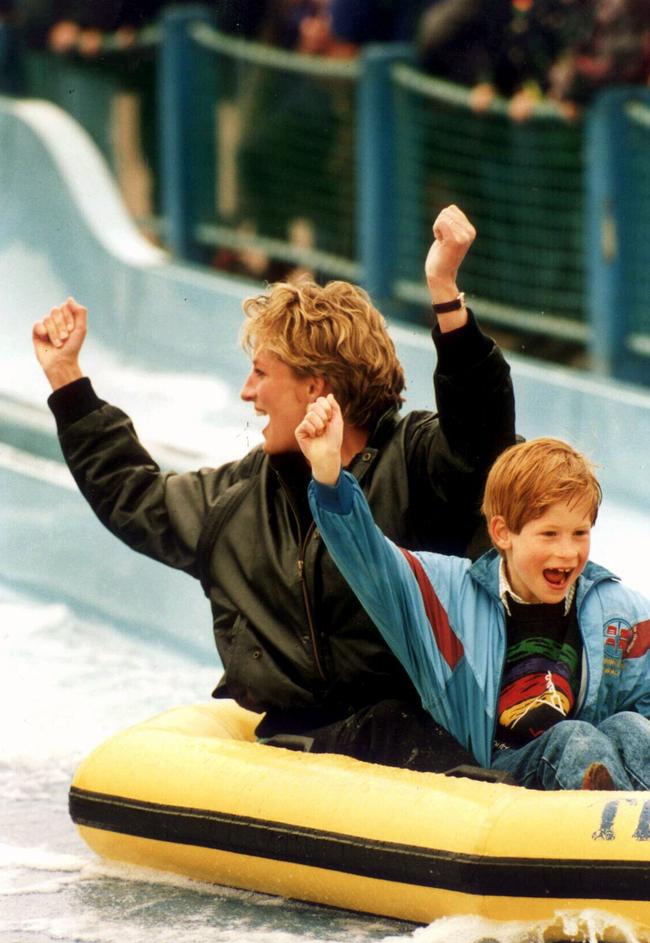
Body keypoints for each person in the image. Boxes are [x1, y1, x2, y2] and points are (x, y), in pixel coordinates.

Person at [32, 204, 515, 772]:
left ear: (315, 387)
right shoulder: (240, 501)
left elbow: (482, 439)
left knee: (400, 728)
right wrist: (67, 380)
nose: (247, 392)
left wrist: (445, 294)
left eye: (261, 373)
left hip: (435, 726)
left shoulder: (419, 462)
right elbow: (134, 497)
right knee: (377, 732)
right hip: (305, 743)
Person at [299, 414, 650, 790]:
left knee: (631, 729)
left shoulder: (617, 611)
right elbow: (369, 558)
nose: (567, 553)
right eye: (549, 534)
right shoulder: (446, 594)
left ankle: (631, 839)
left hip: (586, 771)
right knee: (573, 738)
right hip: (504, 779)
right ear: (502, 533)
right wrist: (328, 474)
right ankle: (609, 841)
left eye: (580, 533)